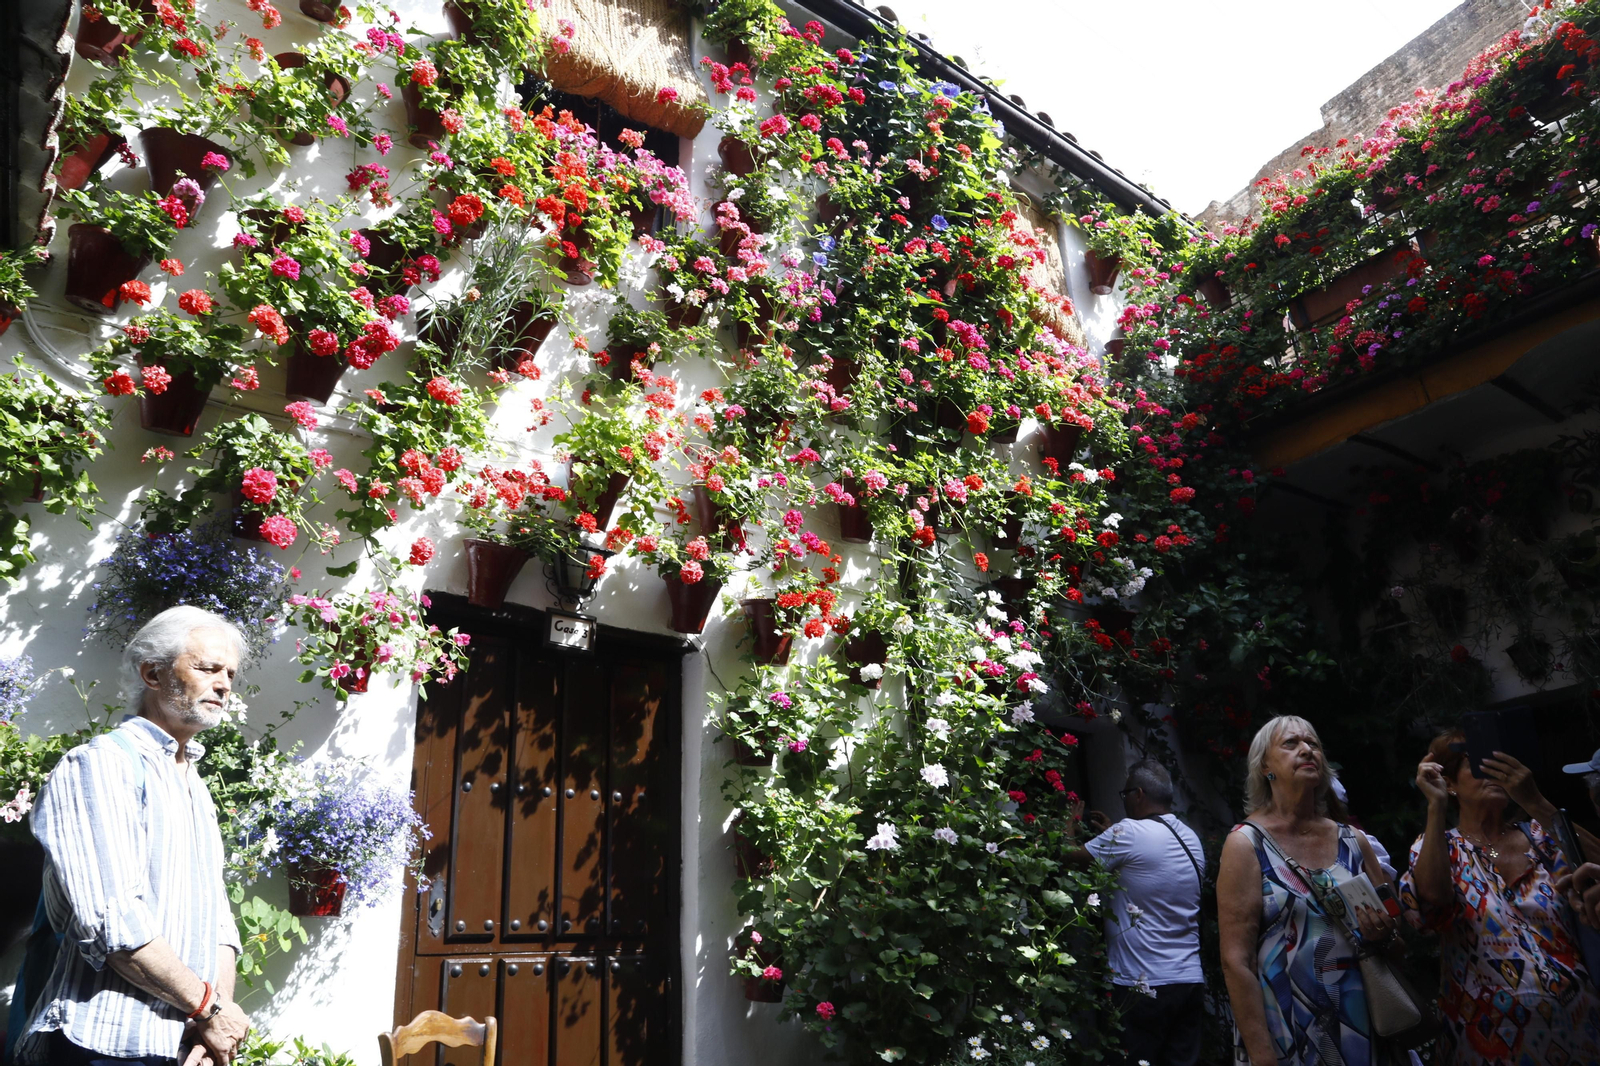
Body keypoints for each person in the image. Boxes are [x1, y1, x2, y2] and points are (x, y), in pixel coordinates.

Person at [13, 607, 252, 1066]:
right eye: (205, 668)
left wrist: (213, 1022)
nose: (223, 683)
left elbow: (218, 918)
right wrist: (209, 1009)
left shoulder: (192, 783)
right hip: (107, 1043)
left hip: (183, 1041)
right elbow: (116, 925)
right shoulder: (101, 766)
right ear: (152, 673)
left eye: (229, 673)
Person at [1400, 730, 1600, 1064]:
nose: (1491, 771)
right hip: (1486, 1044)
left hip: (1580, 1031)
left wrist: (1535, 802)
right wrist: (1435, 805)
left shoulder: (1542, 836)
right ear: (1450, 783)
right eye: (1475, 762)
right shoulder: (1438, 847)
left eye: (1498, 761)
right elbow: (1432, 909)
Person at [1217, 716, 1400, 1066]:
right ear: (1265, 767)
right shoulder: (1245, 844)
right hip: (1286, 1029)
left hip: (1362, 1023)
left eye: (1313, 744)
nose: (1306, 750)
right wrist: (1261, 1055)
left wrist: (1385, 935)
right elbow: (1235, 961)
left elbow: (1397, 933)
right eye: (1291, 744)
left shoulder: (1353, 841)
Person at [1077, 759, 1206, 1066]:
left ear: (1137, 794)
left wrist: (1068, 829)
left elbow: (1073, 857)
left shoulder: (1130, 832)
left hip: (1142, 986)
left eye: (1124, 795)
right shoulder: (1191, 838)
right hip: (1188, 981)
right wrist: (1113, 836)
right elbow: (1150, 870)